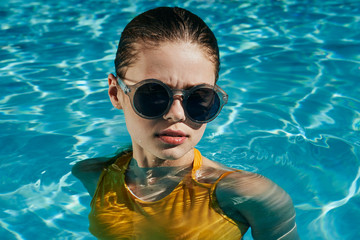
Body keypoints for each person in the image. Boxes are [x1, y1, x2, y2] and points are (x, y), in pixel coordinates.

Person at [72, 6, 299, 240]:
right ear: (115, 92)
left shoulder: (251, 195)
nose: (177, 114)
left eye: (200, 97)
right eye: (154, 93)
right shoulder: (92, 174)